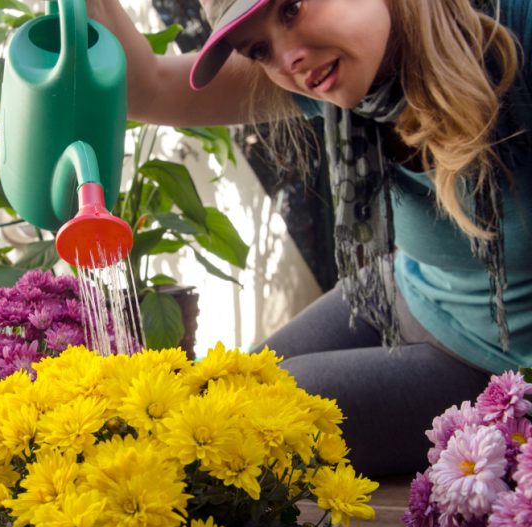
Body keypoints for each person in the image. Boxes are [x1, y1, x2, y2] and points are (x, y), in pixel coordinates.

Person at [86, 0, 532, 478]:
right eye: (257, 50)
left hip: (495, 358)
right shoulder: (334, 64)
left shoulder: (515, 32)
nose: (287, 60)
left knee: (246, 426)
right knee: (221, 395)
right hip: (406, 290)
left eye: (292, 8)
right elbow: (148, 89)